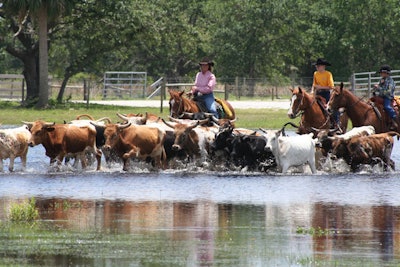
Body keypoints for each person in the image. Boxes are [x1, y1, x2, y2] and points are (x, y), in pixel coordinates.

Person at [311, 58, 340, 129]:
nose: (317, 67)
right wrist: (312, 91)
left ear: (323, 66)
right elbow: (314, 85)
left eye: (318, 66)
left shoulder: (328, 74)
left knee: (332, 108)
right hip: (318, 94)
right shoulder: (315, 74)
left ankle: (336, 124)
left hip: (326, 93)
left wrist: (320, 87)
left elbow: (331, 87)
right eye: (316, 66)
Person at [373, 65, 397, 129]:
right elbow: (379, 87)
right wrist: (376, 87)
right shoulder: (381, 80)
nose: (381, 74)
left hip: (388, 97)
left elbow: (388, 92)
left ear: (386, 73)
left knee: (387, 107)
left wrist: (379, 88)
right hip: (381, 97)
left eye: (382, 73)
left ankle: (395, 118)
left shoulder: (391, 81)